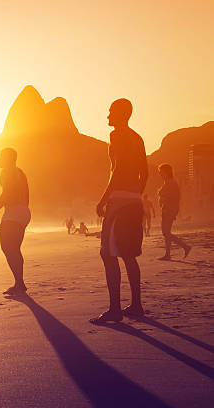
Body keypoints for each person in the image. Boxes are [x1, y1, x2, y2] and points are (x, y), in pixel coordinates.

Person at [91, 99, 148, 324]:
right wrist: (135, 194)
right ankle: (136, 305)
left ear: (121, 114)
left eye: (111, 112)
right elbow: (145, 172)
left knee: (108, 253)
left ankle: (115, 309)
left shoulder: (118, 135)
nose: (107, 116)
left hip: (120, 202)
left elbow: (118, 169)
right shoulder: (138, 137)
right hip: (134, 200)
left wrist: (103, 200)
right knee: (128, 254)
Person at [0, 148, 31, 295]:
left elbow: (6, 193)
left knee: (7, 248)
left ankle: (19, 283)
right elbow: (25, 193)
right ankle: (20, 283)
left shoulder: (6, 171)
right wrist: (23, 211)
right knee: (14, 249)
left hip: (13, 212)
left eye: (0, 157)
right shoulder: (20, 172)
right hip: (24, 212)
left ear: (7, 159)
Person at [157, 164, 191, 260]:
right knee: (166, 232)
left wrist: (172, 209)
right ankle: (168, 254)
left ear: (167, 172)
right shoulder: (167, 182)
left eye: (161, 172)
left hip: (169, 210)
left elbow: (175, 198)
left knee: (166, 232)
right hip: (167, 209)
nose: (160, 174)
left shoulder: (171, 183)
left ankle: (185, 246)